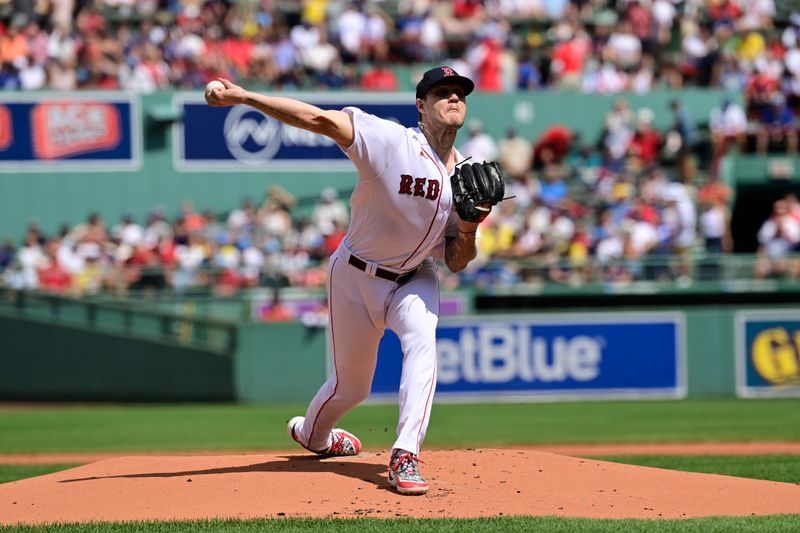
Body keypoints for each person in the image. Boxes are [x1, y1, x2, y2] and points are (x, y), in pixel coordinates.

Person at [205, 66, 487, 495]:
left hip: (415, 278)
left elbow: (457, 261)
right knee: (350, 387)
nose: (453, 98)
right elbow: (318, 119)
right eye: (442, 92)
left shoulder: (467, 176)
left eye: (459, 93)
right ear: (421, 106)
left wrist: (468, 228)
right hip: (355, 275)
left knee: (422, 339)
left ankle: (405, 453)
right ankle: (312, 435)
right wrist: (246, 98)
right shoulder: (391, 142)